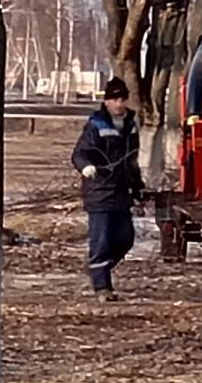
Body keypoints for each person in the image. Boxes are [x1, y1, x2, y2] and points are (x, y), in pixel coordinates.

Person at [71, 77, 145, 302]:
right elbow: (79, 153)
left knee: (126, 238)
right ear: (106, 102)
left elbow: (130, 161)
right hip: (99, 191)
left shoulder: (131, 125)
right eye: (115, 99)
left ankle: (98, 269)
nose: (119, 104)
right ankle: (102, 286)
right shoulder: (96, 124)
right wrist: (87, 168)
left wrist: (137, 185)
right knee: (101, 239)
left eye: (122, 99)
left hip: (122, 193)